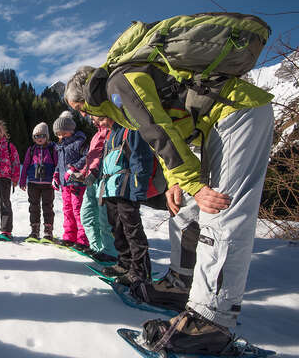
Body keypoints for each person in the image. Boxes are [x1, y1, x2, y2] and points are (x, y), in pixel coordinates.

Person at [64, 59, 274, 353]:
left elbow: (157, 129)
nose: (87, 117)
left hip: (237, 114)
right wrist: (178, 180)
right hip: (212, 124)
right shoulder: (118, 97)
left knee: (220, 211)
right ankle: (180, 283)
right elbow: (161, 133)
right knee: (185, 207)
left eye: (81, 109)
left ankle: (211, 321)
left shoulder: (119, 85)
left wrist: (194, 183)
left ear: (88, 94)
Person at [92, 115, 154, 286]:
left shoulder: (130, 129)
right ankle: (125, 263)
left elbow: (140, 159)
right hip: (111, 188)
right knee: (117, 228)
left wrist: (138, 189)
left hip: (126, 188)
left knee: (132, 230)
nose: (95, 121)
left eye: (98, 117)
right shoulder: (111, 135)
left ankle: (141, 270)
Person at [72, 115, 117, 263]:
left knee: (104, 218)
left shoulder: (111, 132)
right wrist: (83, 173)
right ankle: (97, 247)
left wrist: (95, 171)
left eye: (94, 117)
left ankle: (110, 251)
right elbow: (91, 157)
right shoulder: (97, 134)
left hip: (103, 179)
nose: (92, 120)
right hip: (91, 180)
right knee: (87, 214)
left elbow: (105, 156)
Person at [52, 111, 89, 252]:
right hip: (65, 184)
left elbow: (87, 157)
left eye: (63, 133)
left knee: (78, 210)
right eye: (58, 134)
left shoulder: (80, 142)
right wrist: (56, 175)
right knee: (67, 210)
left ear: (71, 130)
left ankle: (83, 240)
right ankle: (69, 237)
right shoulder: (60, 147)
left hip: (77, 183)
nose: (60, 136)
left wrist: (74, 168)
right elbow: (59, 164)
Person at [18, 122, 58, 240]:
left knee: (48, 207)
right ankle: (34, 230)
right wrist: (22, 180)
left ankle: (48, 231)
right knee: (34, 207)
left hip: (48, 184)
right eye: (36, 136)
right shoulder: (31, 150)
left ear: (47, 136)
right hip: (33, 184)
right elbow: (25, 165)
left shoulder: (52, 149)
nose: (39, 138)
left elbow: (57, 165)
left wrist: (56, 178)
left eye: (42, 135)